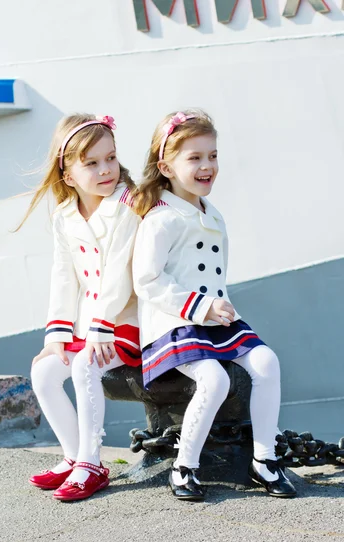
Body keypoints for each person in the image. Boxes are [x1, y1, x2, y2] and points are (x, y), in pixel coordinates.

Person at [132, 110, 296, 501]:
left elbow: (213, 277)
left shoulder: (213, 214)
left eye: (213, 155)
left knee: (267, 362)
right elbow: (147, 280)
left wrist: (218, 308)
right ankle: (184, 466)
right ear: (166, 166)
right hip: (175, 323)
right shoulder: (161, 219)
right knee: (215, 379)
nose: (207, 166)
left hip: (214, 318)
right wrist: (200, 307)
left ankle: (264, 459)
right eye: (195, 158)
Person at [24, 113, 140, 501]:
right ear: (69, 174)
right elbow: (63, 275)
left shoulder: (128, 204)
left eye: (110, 158)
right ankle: (73, 457)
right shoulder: (65, 215)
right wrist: (57, 334)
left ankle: (92, 463)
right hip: (87, 324)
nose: (106, 169)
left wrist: (100, 327)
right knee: (42, 371)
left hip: (124, 320)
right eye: (91, 163)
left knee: (84, 363)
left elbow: (120, 274)